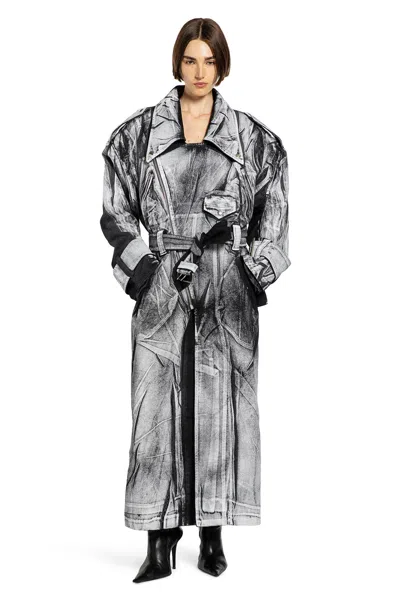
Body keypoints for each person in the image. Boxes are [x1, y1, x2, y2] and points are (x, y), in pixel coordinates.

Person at [100, 17, 290, 583]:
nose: (199, 71)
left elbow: (275, 218)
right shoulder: (136, 135)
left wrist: (251, 273)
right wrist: (143, 271)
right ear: (177, 63)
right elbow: (115, 212)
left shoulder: (255, 140)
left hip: (226, 289)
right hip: (164, 285)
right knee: (155, 408)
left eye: (209, 60)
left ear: (222, 66)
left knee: (220, 405)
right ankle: (158, 541)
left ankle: (212, 534)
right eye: (190, 60)